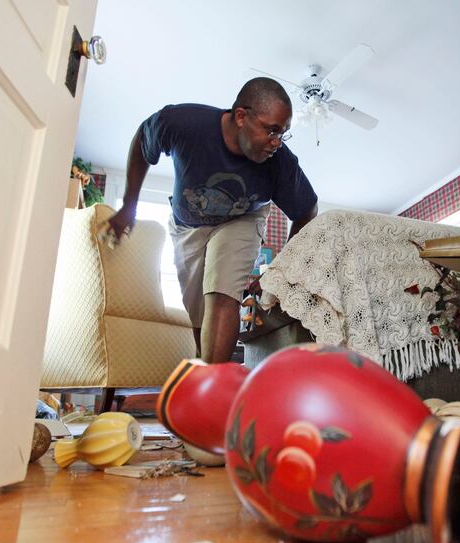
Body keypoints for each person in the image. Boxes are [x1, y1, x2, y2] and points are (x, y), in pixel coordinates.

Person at [104, 78, 318, 363]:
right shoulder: (183, 124)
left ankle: (215, 387)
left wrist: (280, 268)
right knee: (197, 311)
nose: (277, 142)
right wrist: (129, 206)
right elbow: (143, 142)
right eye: (272, 130)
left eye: (283, 134)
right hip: (187, 225)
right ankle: (206, 367)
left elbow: (307, 209)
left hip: (242, 220)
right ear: (241, 116)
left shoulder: (280, 163)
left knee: (222, 293)